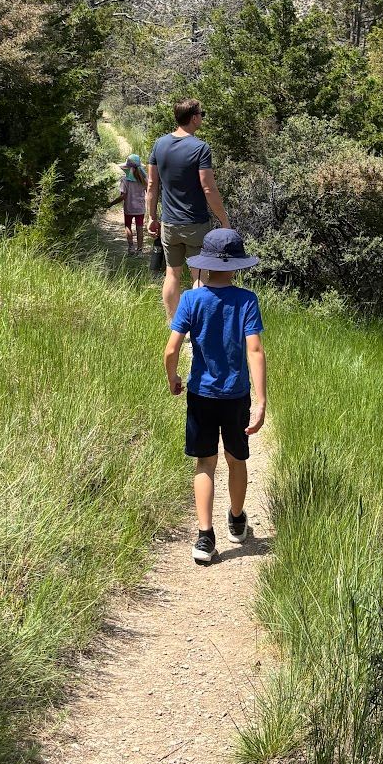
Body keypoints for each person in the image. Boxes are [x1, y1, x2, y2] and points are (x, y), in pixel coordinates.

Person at [163, 227, 266, 566]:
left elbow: (171, 349)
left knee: (205, 462)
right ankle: (237, 519)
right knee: (237, 460)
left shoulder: (191, 300)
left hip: (201, 395)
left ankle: (205, 537)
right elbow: (254, 350)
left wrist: (174, 378)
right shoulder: (246, 300)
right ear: (236, 266)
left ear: (203, 264)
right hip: (236, 396)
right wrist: (261, 401)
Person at [147, 98, 229, 323]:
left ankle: (174, 324)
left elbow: (152, 186)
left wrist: (151, 218)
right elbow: (208, 187)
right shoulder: (200, 148)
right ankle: (197, 327)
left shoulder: (159, 145)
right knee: (200, 276)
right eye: (201, 113)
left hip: (169, 224)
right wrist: (224, 221)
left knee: (172, 274)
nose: (202, 117)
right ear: (194, 118)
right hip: (195, 224)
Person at [120, 153, 147, 254]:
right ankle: (140, 250)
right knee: (139, 227)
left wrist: (112, 203)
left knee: (128, 226)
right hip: (140, 208)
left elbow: (123, 196)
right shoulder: (143, 179)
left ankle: (131, 247)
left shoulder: (124, 179)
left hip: (129, 207)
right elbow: (149, 191)